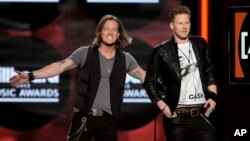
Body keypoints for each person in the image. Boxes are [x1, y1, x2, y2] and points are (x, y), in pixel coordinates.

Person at [9, 14, 145, 141]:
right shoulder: (84, 53)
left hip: (108, 120)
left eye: (114, 29)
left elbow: (145, 76)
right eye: (106, 29)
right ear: (99, 32)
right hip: (83, 117)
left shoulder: (126, 59)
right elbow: (60, 66)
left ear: (118, 33)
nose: (110, 32)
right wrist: (31, 75)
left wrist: (164, 89)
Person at [143, 5, 218, 141]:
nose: (184, 27)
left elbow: (209, 72)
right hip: (177, 118)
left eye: (187, 22)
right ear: (172, 25)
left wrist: (213, 98)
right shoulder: (162, 51)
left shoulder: (200, 43)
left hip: (202, 115)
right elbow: (149, 81)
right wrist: (163, 106)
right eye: (180, 23)